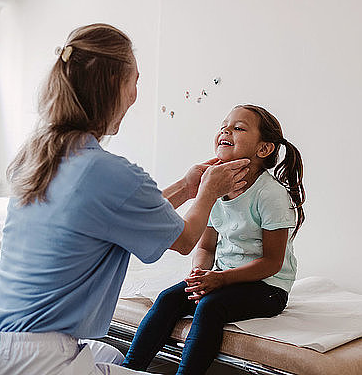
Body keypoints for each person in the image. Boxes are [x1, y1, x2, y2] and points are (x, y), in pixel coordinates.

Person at [0, 23, 250, 375]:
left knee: (114, 357)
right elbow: (184, 240)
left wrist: (187, 186)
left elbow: (114, 215)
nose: (136, 95)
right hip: (37, 357)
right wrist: (209, 191)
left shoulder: (42, 154)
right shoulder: (108, 173)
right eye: (134, 81)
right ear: (112, 87)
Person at [122, 104, 306, 374]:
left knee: (210, 306)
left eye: (238, 127)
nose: (225, 130)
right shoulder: (215, 187)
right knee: (169, 298)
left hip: (267, 287)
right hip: (224, 279)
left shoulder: (271, 195)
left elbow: (272, 263)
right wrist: (200, 272)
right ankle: (129, 369)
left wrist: (219, 279)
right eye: (223, 125)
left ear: (264, 149)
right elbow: (206, 245)